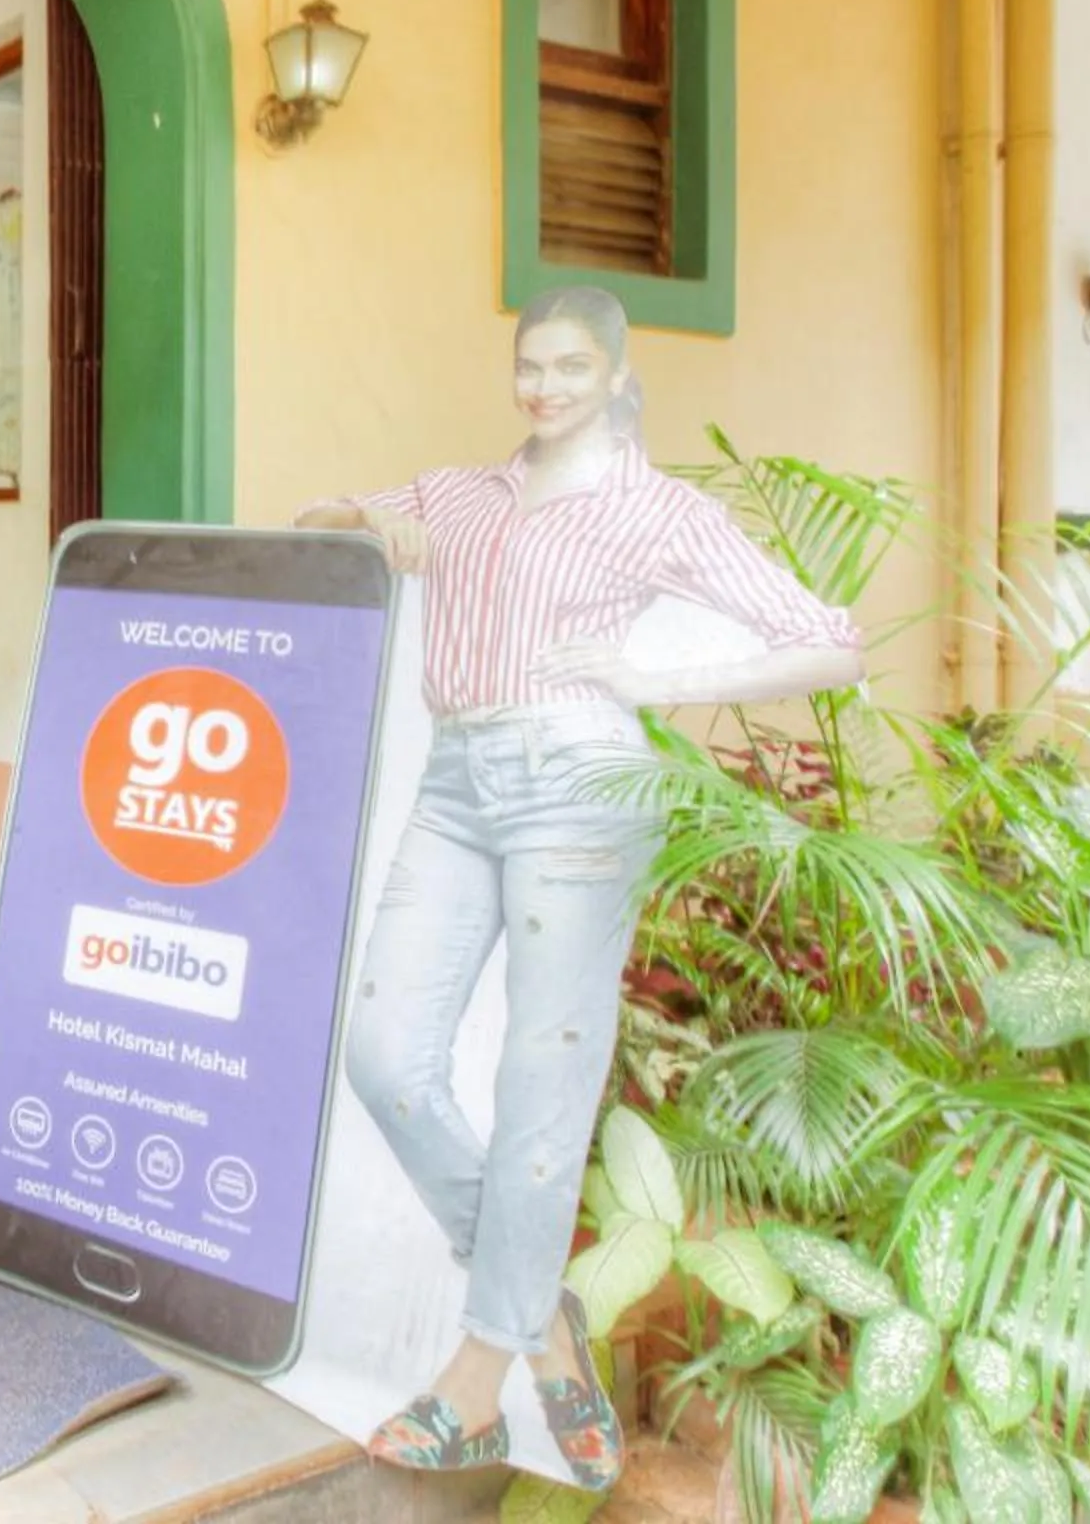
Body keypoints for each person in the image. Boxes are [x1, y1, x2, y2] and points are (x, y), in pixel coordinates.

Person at [295, 285, 862, 1490]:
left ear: (612, 374)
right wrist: (361, 515)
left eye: (568, 367)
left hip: (580, 787)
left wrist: (659, 675)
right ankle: (548, 1323)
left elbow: (830, 640)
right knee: (387, 1051)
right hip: (459, 779)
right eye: (528, 365)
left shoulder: (658, 509)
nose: (544, 386)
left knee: (540, 1087)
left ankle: (476, 1379)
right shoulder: (463, 492)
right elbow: (320, 518)